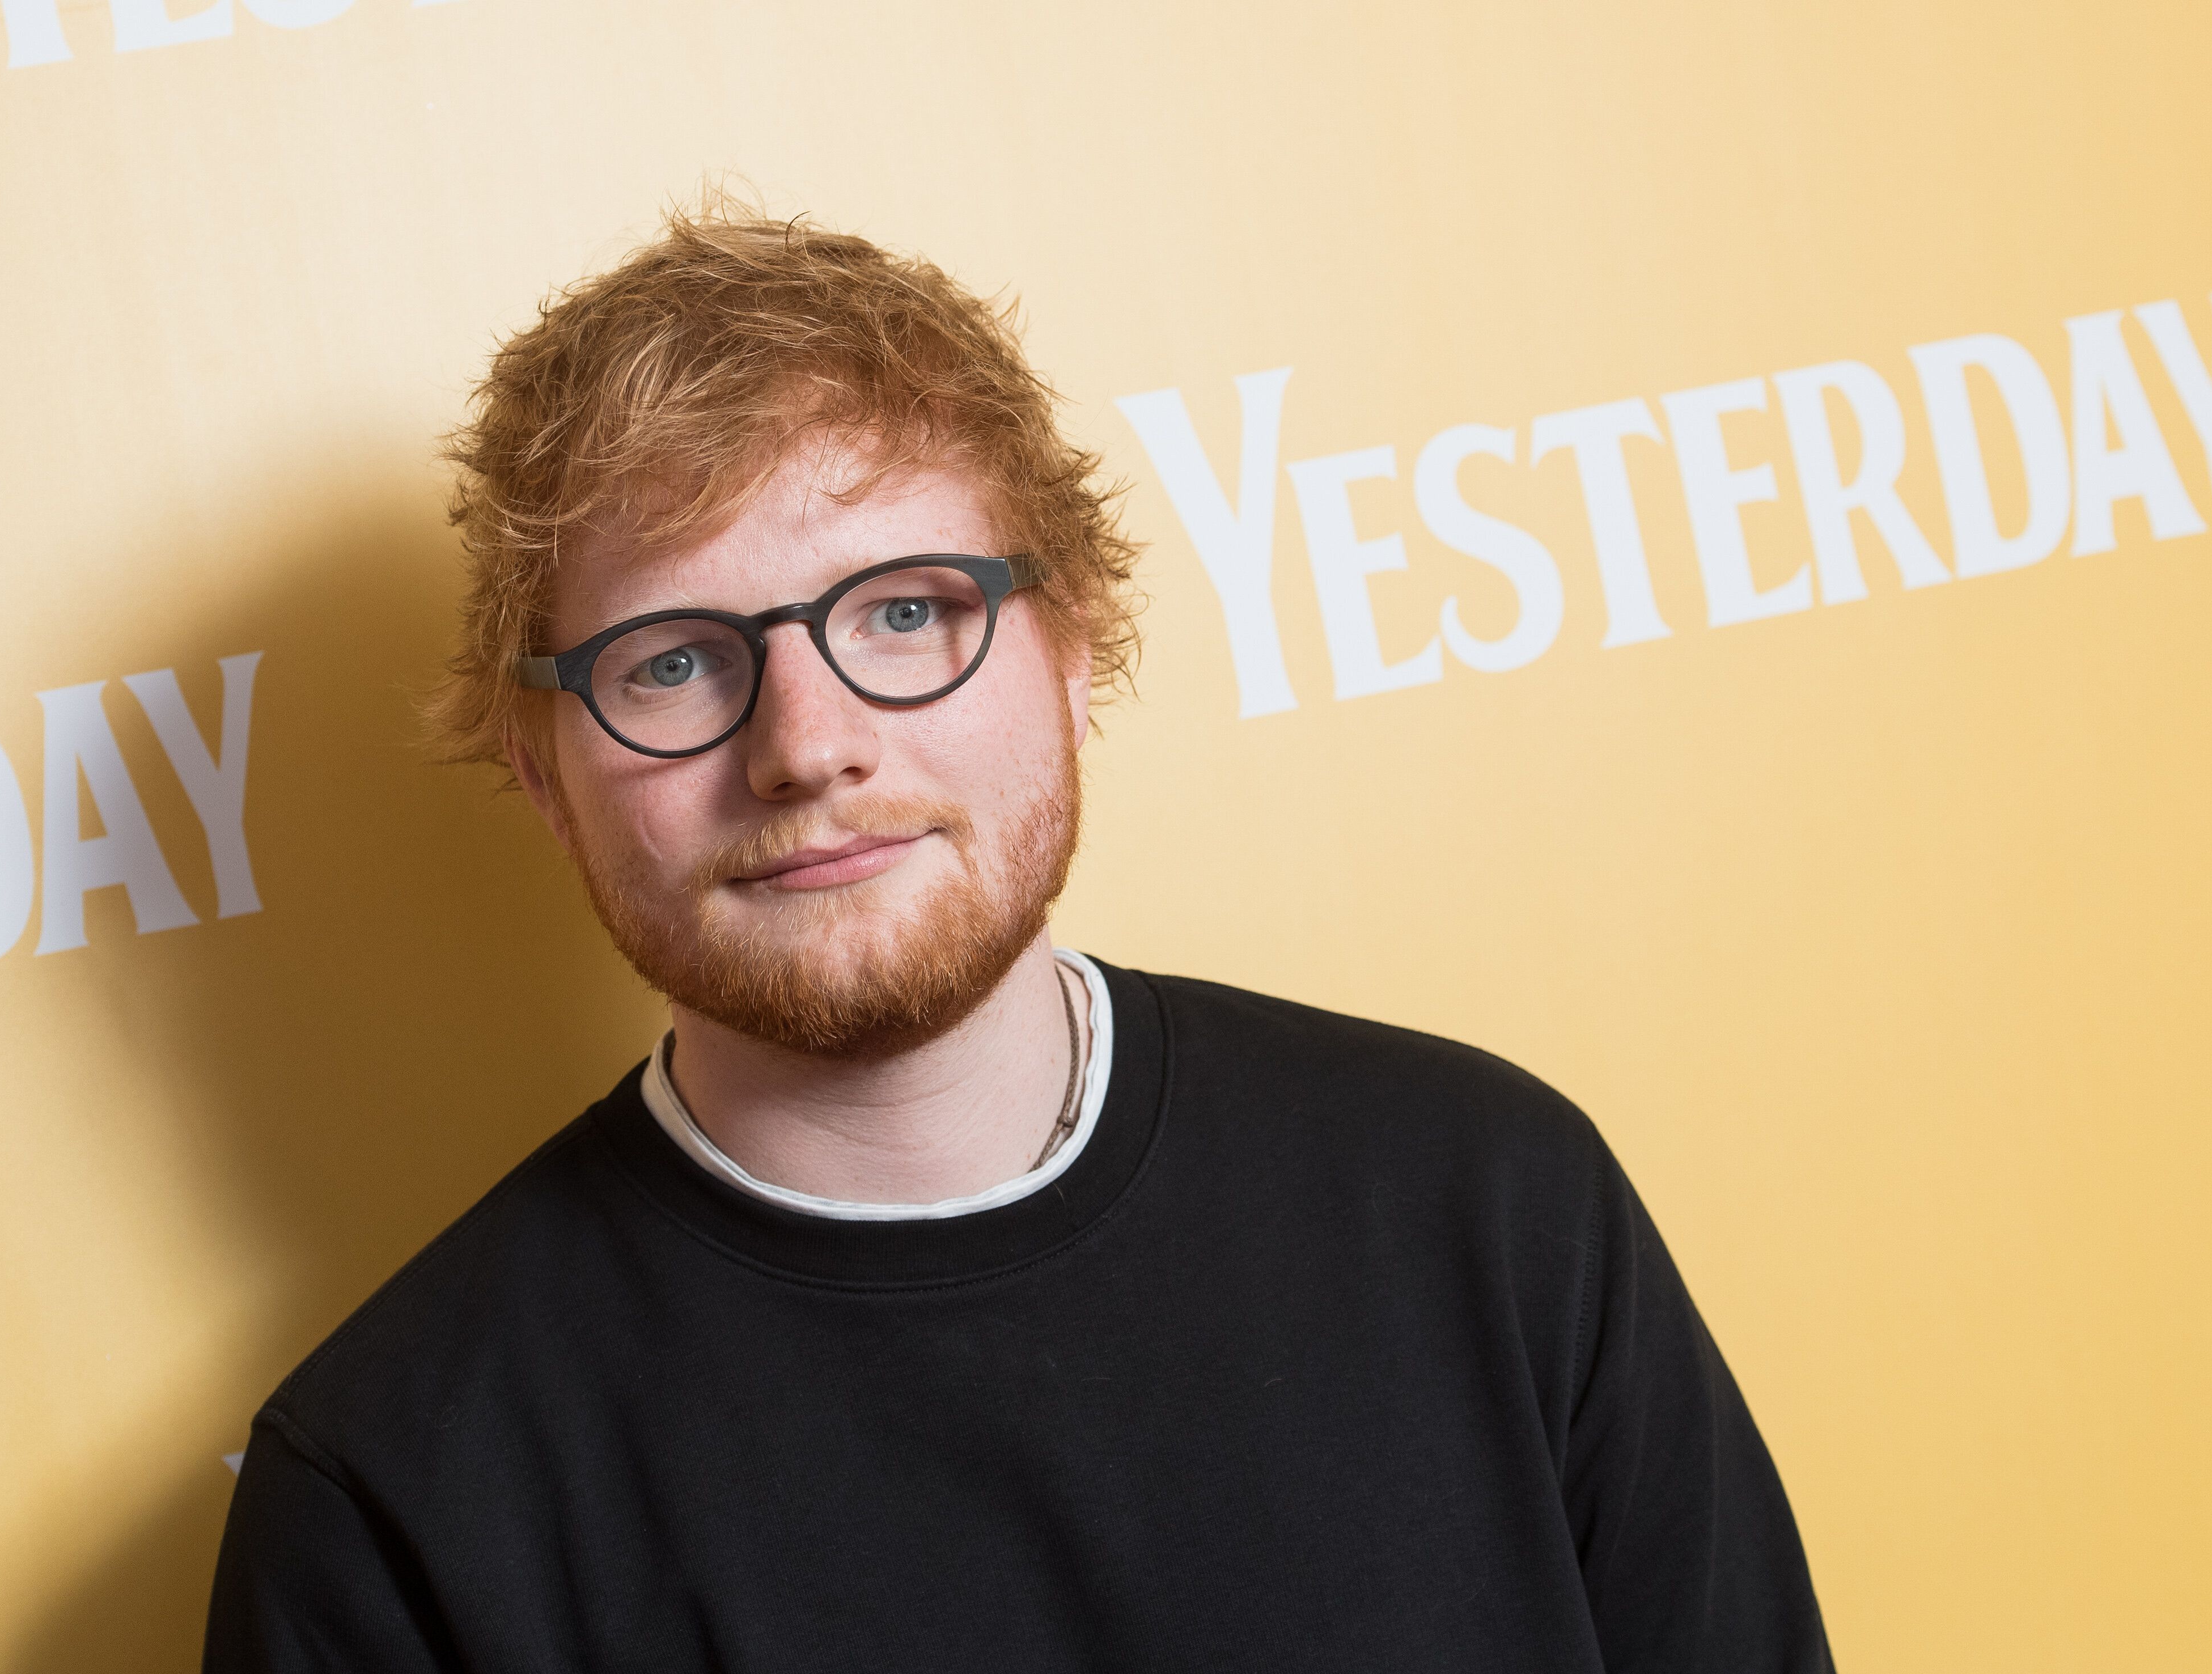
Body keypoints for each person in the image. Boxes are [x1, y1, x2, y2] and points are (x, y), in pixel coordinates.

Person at [204, 207, 1833, 1673]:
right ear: (541, 771)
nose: (810, 745)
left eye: (905, 610)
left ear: (1076, 641)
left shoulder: (1493, 1208)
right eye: (676, 662)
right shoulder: (392, 1500)